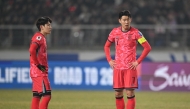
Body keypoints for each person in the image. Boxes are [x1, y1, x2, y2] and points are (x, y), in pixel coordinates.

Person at [104, 10, 151, 109]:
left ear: (131, 20)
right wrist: (109, 60)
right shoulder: (114, 32)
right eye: (124, 20)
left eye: (128, 20)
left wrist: (137, 62)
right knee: (118, 94)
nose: (126, 22)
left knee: (130, 92)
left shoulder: (136, 33)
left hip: (130, 68)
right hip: (118, 68)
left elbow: (147, 48)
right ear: (119, 21)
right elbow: (106, 46)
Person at [29, 16, 52, 109]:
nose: (50, 27)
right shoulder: (39, 37)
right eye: (48, 25)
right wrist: (38, 64)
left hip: (35, 71)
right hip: (39, 72)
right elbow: (31, 50)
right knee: (47, 96)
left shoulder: (41, 37)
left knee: (37, 96)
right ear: (42, 26)